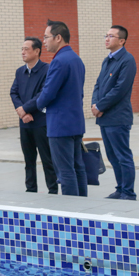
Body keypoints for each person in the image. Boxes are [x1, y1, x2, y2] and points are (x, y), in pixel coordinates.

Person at [36, 20, 87, 197]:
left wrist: (38, 104)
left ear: (58, 38)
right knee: (78, 167)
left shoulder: (59, 61)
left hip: (60, 124)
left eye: (46, 37)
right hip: (75, 122)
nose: (44, 41)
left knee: (65, 170)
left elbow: (48, 93)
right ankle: (83, 204)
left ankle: (71, 209)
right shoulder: (76, 59)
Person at [91, 25, 137, 200]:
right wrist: (94, 104)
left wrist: (100, 106)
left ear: (122, 41)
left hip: (118, 117)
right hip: (105, 117)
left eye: (111, 36)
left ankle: (128, 192)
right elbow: (98, 84)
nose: (107, 38)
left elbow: (120, 89)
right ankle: (120, 188)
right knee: (112, 156)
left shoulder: (127, 60)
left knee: (123, 156)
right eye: (106, 35)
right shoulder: (107, 60)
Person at [10, 37, 58, 194]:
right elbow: (14, 92)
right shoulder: (20, 71)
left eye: (26, 49)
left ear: (37, 51)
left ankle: (53, 190)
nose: (23, 52)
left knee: (47, 159)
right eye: (22, 49)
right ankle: (30, 189)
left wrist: (25, 109)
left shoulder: (47, 70)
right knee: (28, 160)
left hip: (41, 122)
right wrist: (21, 111)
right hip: (25, 123)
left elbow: (43, 94)